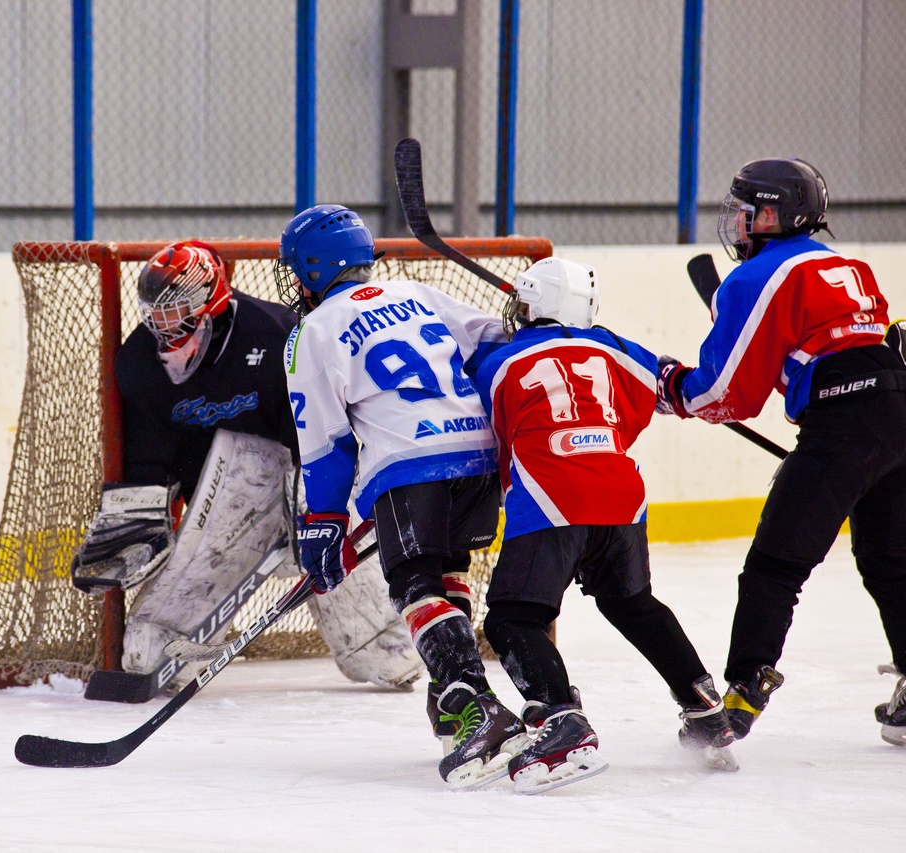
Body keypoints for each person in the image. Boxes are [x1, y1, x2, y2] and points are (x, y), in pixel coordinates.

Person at [73, 240, 422, 693]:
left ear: (211, 299)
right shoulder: (140, 362)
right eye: (155, 312)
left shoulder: (276, 333)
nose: (164, 323)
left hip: (306, 479)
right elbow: (147, 450)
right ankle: (184, 645)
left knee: (388, 660)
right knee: (148, 654)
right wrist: (137, 508)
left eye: (176, 309)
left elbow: (322, 419)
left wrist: (314, 498)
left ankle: (380, 640)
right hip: (222, 497)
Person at [655, 158, 906, 746]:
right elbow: (822, 353)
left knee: (775, 567)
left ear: (775, 215)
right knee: (891, 560)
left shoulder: (755, 279)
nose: (737, 223)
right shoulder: (848, 264)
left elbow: (726, 394)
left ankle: (739, 700)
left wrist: (671, 390)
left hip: (844, 423)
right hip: (899, 409)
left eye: (748, 212)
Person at [276, 203, 527, 789]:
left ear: (313, 270)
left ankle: (479, 708)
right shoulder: (419, 292)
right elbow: (495, 343)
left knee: (415, 585)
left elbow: (327, 447)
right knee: (448, 572)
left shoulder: (309, 334)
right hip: (480, 454)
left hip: (408, 463)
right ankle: (451, 700)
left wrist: (324, 523)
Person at [472, 257, 738, 794]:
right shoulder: (621, 351)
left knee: (511, 619)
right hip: (621, 497)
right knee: (632, 604)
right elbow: (682, 391)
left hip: (551, 497)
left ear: (533, 308)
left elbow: (476, 432)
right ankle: (705, 705)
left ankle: (559, 717)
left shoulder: (496, 361)